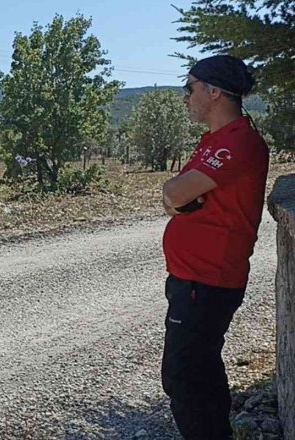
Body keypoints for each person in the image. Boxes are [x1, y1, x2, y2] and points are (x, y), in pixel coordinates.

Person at [160, 54, 269, 439]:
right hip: (194, 279)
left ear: (214, 91)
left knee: (184, 378)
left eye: (188, 89)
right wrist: (178, 195)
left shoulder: (238, 143)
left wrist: (179, 195)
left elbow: (174, 192)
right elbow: (172, 195)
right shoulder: (215, 141)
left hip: (208, 280)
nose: (184, 98)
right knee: (199, 372)